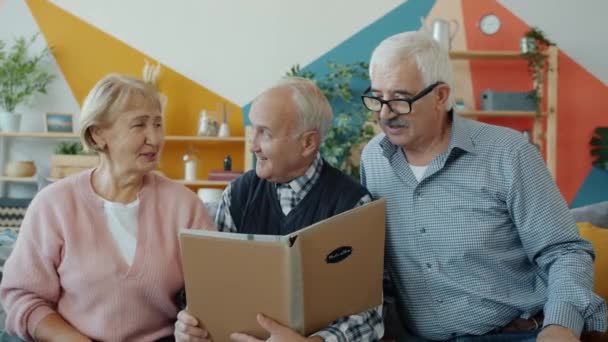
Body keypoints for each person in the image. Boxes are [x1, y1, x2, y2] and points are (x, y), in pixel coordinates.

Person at [359, 31, 607, 341]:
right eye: (377, 98)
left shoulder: (508, 152)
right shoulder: (373, 158)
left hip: (518, 333)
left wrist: (560, 326)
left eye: (399, 99)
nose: (385, 113)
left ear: (440, 96)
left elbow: (565, 251)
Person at [0, 74, 214, 341]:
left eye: (158, 124)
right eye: (139, 125)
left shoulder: (185, 206)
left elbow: (213, 295)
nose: (155, 138)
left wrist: (195, 327)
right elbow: (23, 297)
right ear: (97, 134)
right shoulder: (53, 205)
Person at [174, 76, 384, 342]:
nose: (253, 145)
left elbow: (368, 317)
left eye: (266, 133)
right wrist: (191, 324)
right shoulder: (237, 194)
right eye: (254, 130)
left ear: (308, 143)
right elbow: (209, 287)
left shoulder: (353, 204)